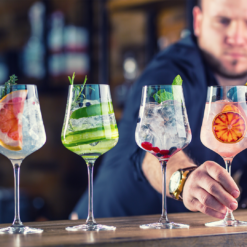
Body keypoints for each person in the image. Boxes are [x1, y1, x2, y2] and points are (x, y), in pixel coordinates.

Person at [71, 0, 247, 220]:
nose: (238, 37)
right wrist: (184, 179)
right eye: (223, 21)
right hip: (109, 225)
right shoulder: (170, 71)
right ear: (198, 21)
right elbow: (150, 148)